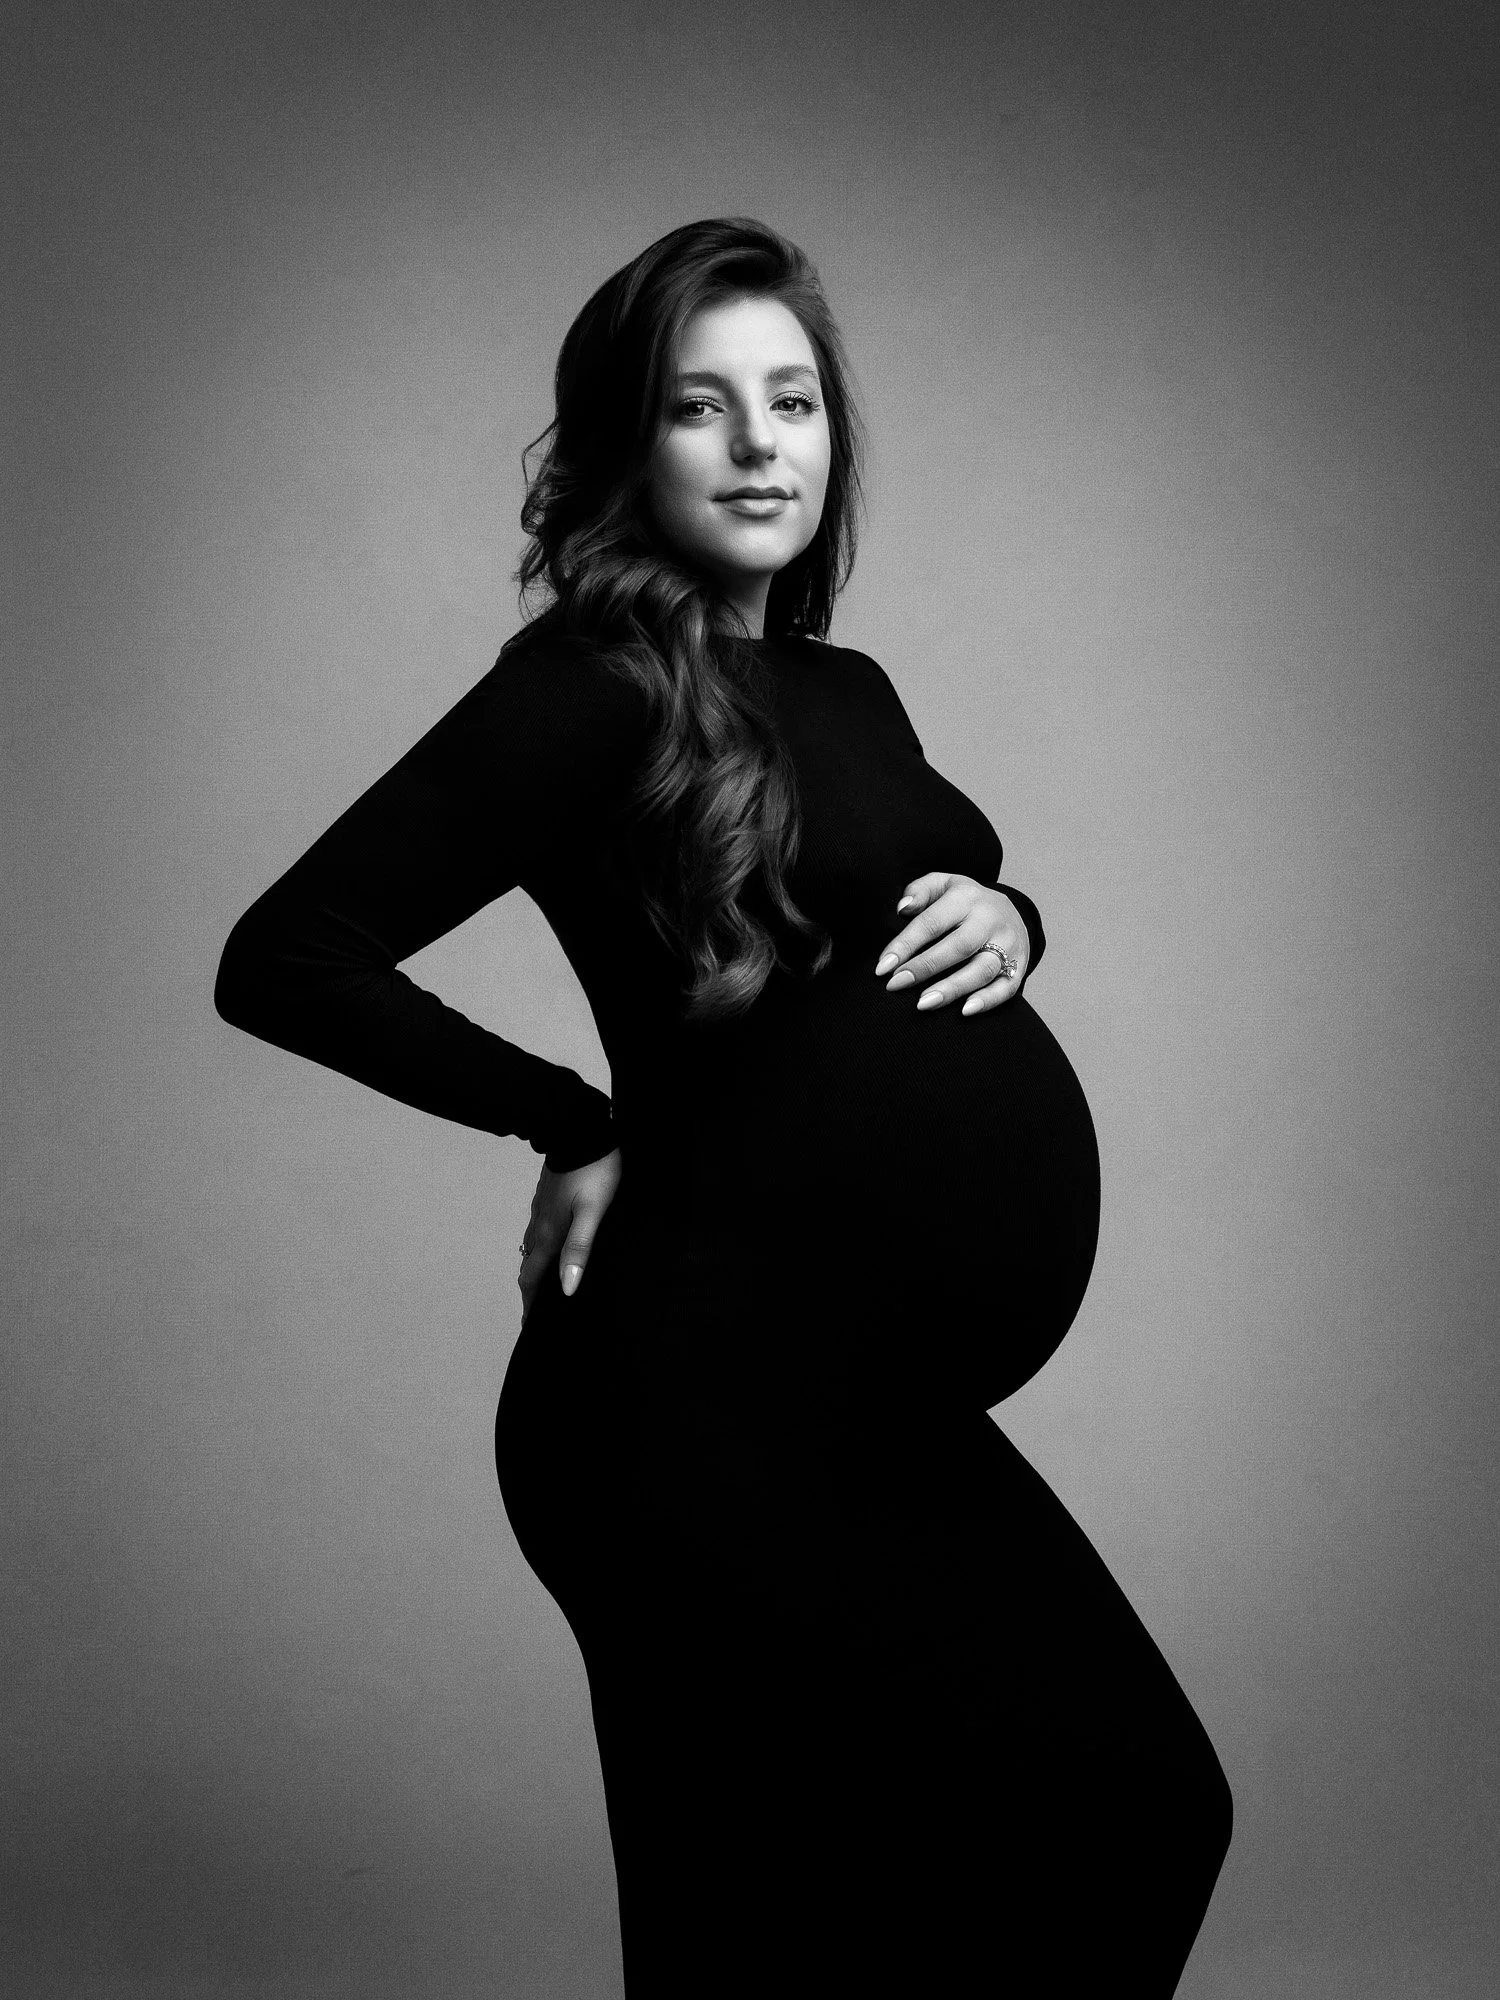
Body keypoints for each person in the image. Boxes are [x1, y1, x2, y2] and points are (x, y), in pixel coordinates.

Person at [216, 217, 1232, 1995]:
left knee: (1137, 1807)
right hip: (684, 1412)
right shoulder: (588, 691)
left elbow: (923, 899)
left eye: (794, 400)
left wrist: (1018, 914)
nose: (763, 445)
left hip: (855, 1411)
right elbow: (287, 954)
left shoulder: (846, 689)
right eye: (703, 408)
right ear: (627, 447)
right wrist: (569, 1115)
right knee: (751, 1923)